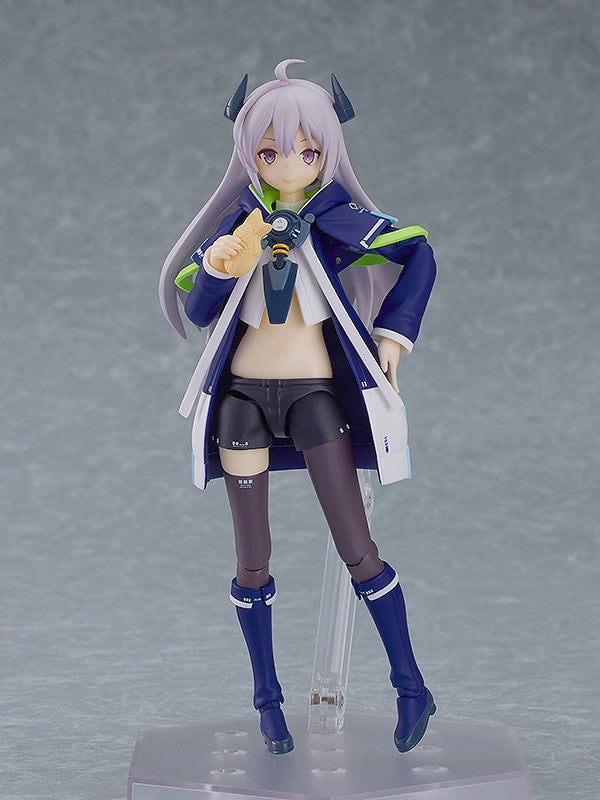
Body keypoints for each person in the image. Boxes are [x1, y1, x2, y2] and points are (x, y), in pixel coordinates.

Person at [159, 59, 437, 755]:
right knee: (251, 561)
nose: (289, 163)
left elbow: (418, 253)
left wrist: (393, 337)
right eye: (270, 151)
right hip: (242, 400)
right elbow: (200, 308)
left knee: (358, 549)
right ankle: (268, 702)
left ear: (327, 152)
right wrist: (218, 265)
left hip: (315, 395)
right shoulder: (238, 223)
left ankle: (411, 685)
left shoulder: (337, 220)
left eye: (308, 151)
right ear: (248, 154)